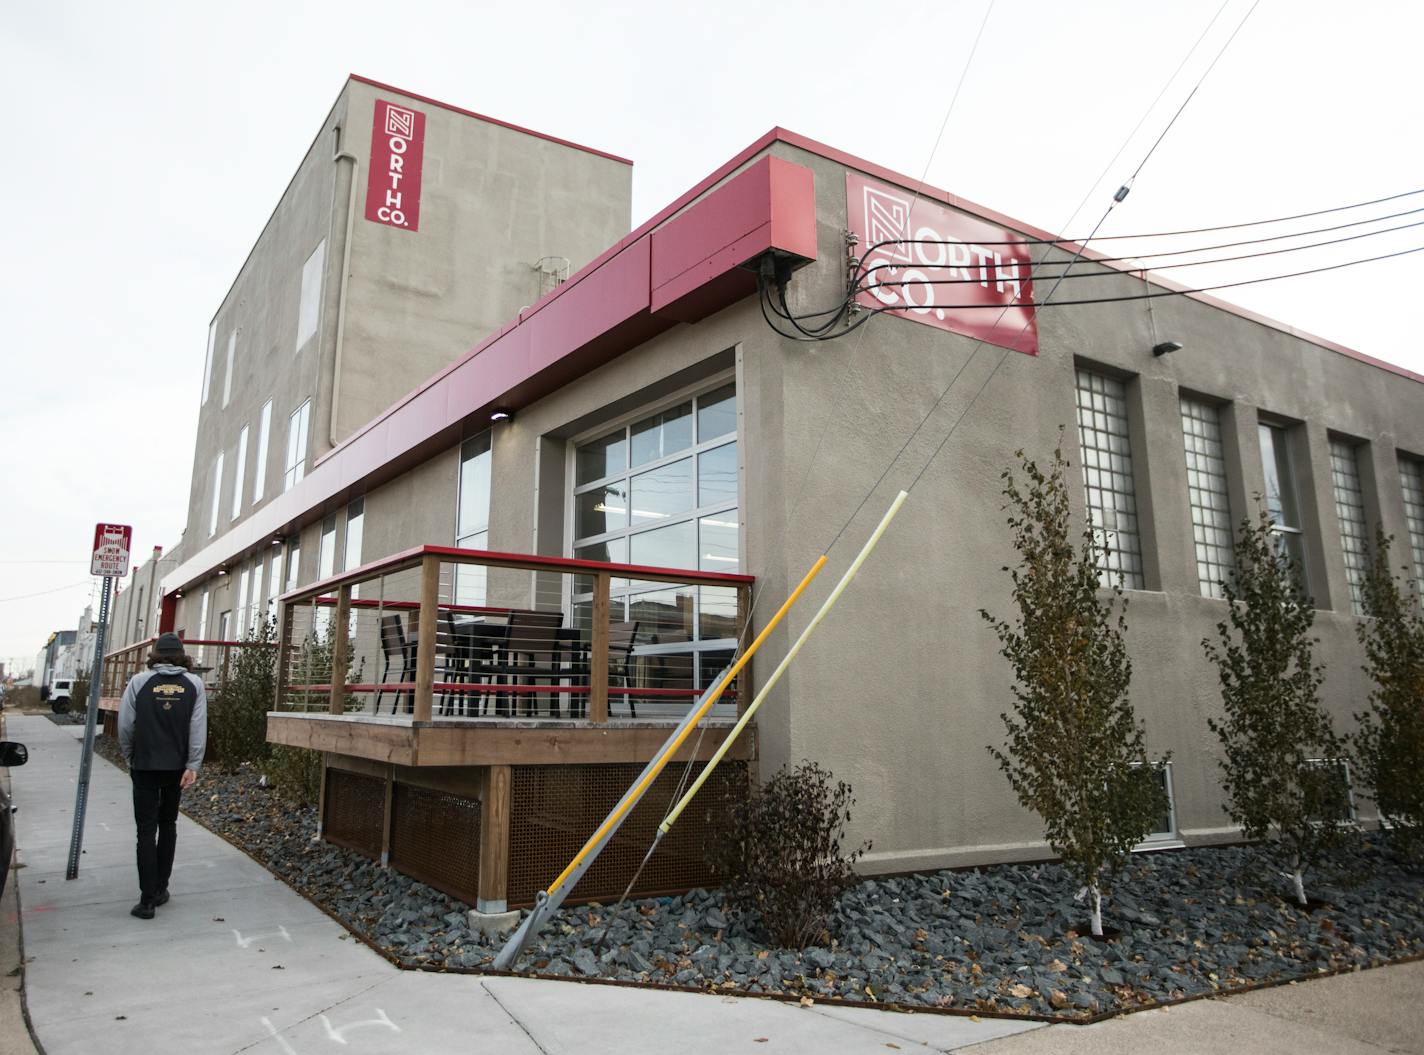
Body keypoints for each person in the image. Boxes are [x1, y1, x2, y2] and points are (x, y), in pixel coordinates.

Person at [117, 632, 207, 919]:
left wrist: (130, 755)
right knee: (168, 824)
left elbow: (126, 725)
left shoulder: (139, 682)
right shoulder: (194, 684)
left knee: (145, 830)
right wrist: (192, 764)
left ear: (154, 655)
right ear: (182, 656)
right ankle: (161, 888)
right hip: (176, 769)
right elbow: (197, 728)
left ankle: (146, 901)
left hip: (144, 765)